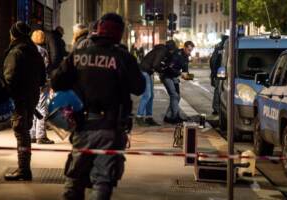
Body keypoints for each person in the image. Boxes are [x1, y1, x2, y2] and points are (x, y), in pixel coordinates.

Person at [50, 13, 145, 200]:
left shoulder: (78, 55)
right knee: (103, 181)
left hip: (81, 124)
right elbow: (139, 87)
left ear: (98, 30)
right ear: (119, 34)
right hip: (110, 127)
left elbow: (56, 81)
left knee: (74, 179)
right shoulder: (123, 58)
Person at [2, 21, 46, 181]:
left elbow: (10, 78)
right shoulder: (34, 50)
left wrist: (5, 93)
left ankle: (23, 170)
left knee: (21, 132)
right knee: (24, 130)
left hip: (19, 98)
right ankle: (23, 169)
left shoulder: (17, 51)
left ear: (14, 34)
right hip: (31, 96)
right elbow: (42, 78)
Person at [135, 40, 177, 126]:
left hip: (148, 72)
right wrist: (162, 70)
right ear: (171, 49)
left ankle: (148, 117)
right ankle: (139, 116)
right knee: (147, 95)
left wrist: (163, 66)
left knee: (151, 96)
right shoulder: (162, 51)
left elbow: (156, 64)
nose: (172, 52)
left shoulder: (161, 50)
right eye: (173, 50)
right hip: (144, 71)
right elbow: (155, 65)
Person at [29, 30, 54, 144]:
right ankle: (41, 136)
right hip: (42, 83)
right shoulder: (43, 51)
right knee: (42, 108)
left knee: (33, 107)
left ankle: (32, 134)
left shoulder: (28, 50)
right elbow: (46, 66)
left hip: (31, 83)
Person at [161, 41, 194, 124]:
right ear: (184, 47)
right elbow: (169, 68)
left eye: (191, 50)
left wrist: (187, 76)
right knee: (174, 95)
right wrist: (180, 73)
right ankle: (175, 116)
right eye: (189, 50)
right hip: (167, 76)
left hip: (174, 77)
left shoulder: (186, 57)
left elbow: (185, 70)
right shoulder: (177, 54)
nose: (190, 52)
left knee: (177, 97)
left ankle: (168, 116)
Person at [209, 35, 228, 115]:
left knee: (218, 89)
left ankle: (217, 108)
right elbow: (214, 60)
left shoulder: (218, 46)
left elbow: (212, 61)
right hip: (222, 70)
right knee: (220, 89)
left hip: (219, 71)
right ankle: (218, 108)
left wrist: (213, 74)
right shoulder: (225, 46)